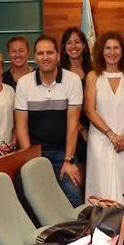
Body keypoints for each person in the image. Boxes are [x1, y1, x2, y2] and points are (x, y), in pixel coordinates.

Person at [14, 35, 83, 204]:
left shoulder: (72, 80)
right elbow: (21, 125)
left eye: (50, 52)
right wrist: (31, 160)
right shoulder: (24, 83)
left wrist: (69, 160)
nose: (45, 57)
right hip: (35, 151)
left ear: (58, 55)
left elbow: (73, 125)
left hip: (63, 151)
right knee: (39, 202)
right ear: (35, 57)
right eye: (41, 53)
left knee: (73, 197)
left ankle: (76, 231)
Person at [84, 32, 124, 210]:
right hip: (101, 140)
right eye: (108, 48)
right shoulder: (93, 76)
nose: (112, 52)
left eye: (116, 47)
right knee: (102, 189)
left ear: (122, 51)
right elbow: (90, 110)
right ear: (101, 51)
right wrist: (111, 135)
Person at [60, 27, 91, 168]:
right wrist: (82, 130)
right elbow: (63, 106)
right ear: (64, 47)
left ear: (84, 45)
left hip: (94, 126)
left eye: (77, 42)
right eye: (69, 42)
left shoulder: (94, 70)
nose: (73, 46)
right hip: (71, 128)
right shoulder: (59, 73)